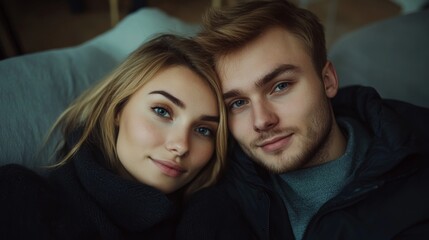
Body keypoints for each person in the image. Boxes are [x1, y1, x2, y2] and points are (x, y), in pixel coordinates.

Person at [177, 1, 429, 239]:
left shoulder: (419, 164)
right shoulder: (212, 199)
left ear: (328, 80)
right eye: (238, 103)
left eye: (281, 86)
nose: (262, 120)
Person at [0, 34, 227, 239]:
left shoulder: (213, 215)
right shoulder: (18, 196)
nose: (181, 145)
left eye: (203, 130)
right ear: (118, 108)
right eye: (162, 111)